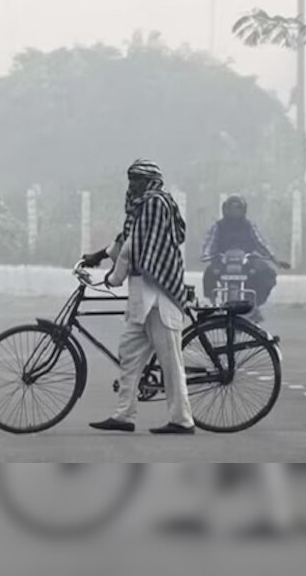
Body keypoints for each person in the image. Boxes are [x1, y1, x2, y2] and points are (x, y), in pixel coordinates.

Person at [80, 159, 196, 436]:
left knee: (171, 361)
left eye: (138, 180)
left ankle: (182, 420)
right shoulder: (140, 207)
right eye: (130, 179)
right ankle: (124, 415)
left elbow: (137, 246)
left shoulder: (155, 204)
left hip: (160, 294)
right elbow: (127, 237)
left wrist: (113, 277)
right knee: (129, 355)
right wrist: (100, 255)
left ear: (150, 181)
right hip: (141, 296)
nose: (132, 185)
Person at [200, 195, 290, 319]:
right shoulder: (218, 226)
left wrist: (275, 259)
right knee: (210, 274)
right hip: (223, 260)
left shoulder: (249, 225)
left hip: (247, 259)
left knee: (267, 274)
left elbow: (261, 243)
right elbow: (210, 243)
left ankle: (255, 305)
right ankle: (213, 303)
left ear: (243, 210)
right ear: (225, 209)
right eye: (231, 208)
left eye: (237, 208)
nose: (234, 211)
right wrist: (206, 255)